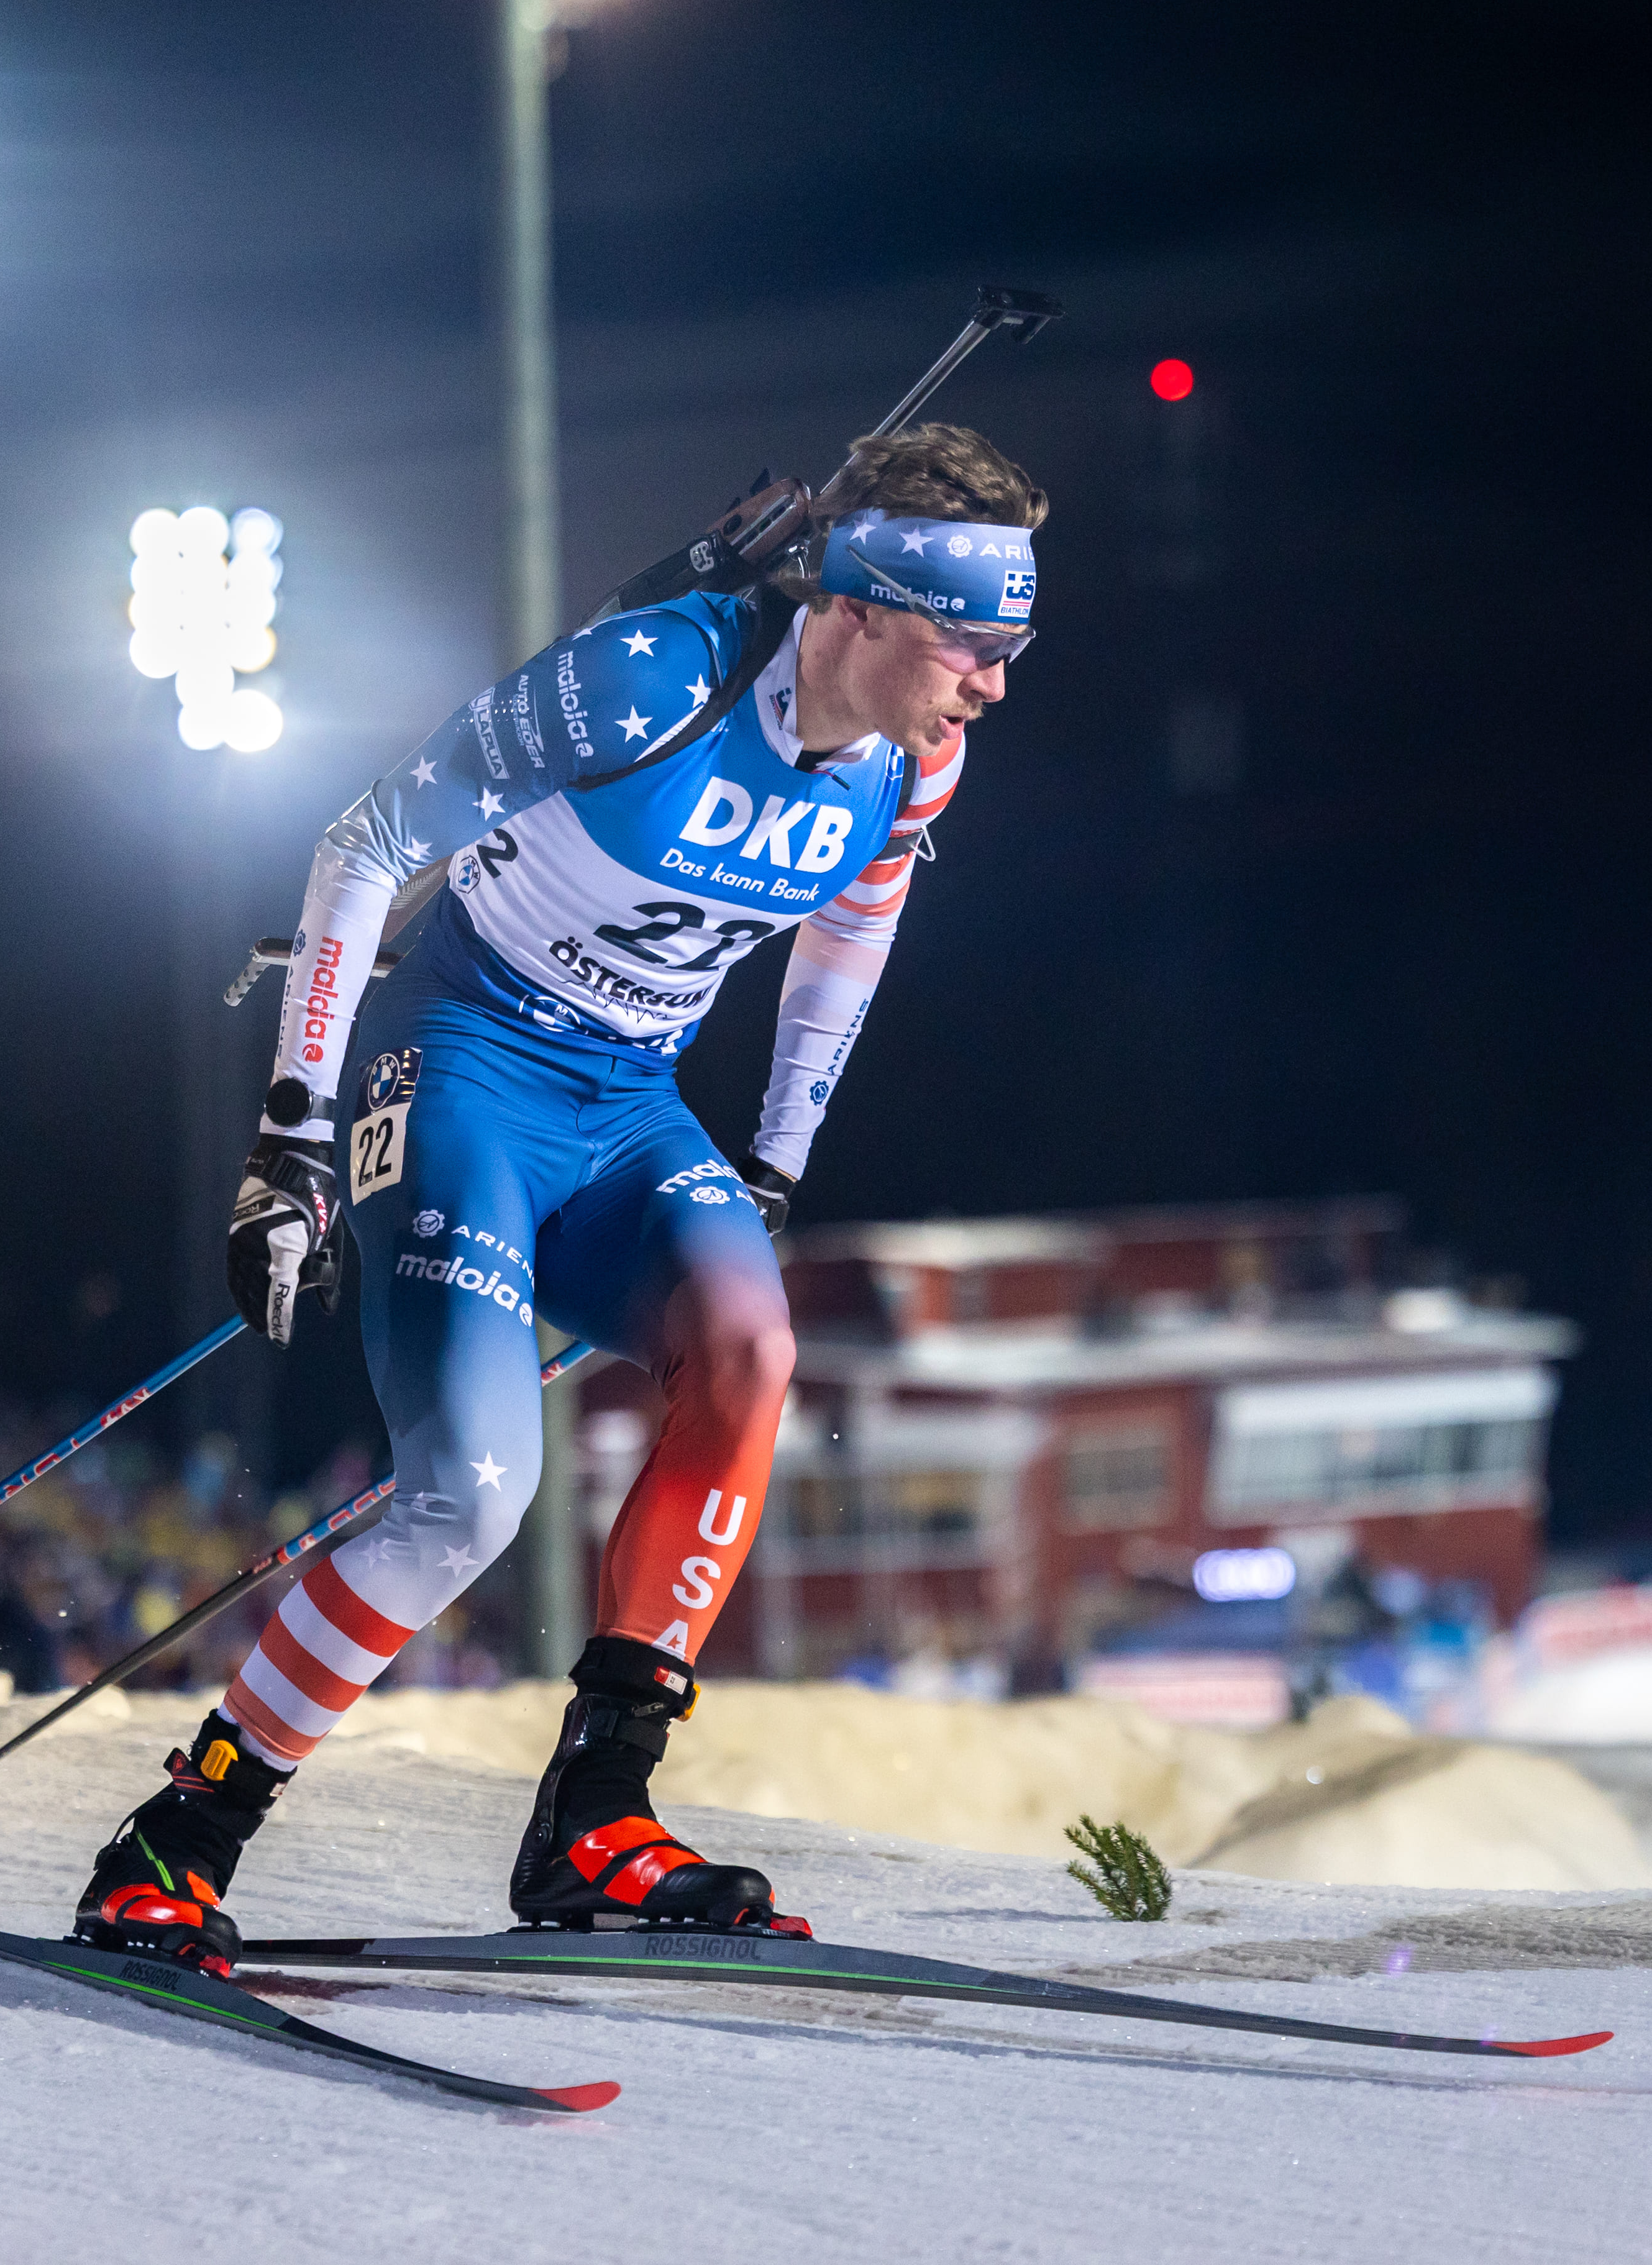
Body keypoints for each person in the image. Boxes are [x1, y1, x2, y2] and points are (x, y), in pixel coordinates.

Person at [73, 424, 1047, 1966]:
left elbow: (853, 928)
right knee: (468, 1495)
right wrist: (292, 1135)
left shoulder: (917, 755)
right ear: (858, 608)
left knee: (751, 1349)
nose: (991, 681)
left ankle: (597, 1817)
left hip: (628, 1101)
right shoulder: (654, 676)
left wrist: (775, 1157)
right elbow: (369, 841)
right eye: (969, 643)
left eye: (1010, 647)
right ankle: (179, 1836)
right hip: (460, 1065)